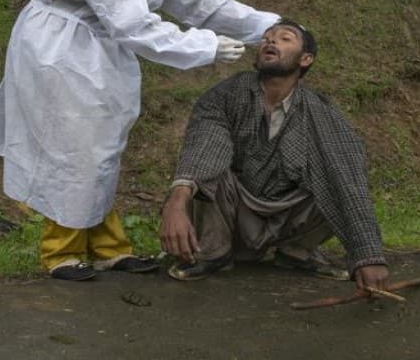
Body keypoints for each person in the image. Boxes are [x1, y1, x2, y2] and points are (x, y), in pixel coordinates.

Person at [0, 0, 280, 281]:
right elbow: (132, 24)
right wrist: (204, 46)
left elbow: (203, 3)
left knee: (101, 147)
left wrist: (271, 25)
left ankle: (108, 247)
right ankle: (61, 252)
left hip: (97, 48)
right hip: (63, 49)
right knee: (74, 146)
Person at [159, 20, 390, 293]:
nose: (270, 42)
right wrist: (176, 202)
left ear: (306, 59)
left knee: (337, 176)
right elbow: (205, 147)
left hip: (288, 216)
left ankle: (295, 252)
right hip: (234, 212)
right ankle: (212, 252)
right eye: (267, 38)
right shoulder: (226, 94)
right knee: (204, 177)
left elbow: (348, 180)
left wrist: (369, 256)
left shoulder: (321, 111)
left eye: (284, 38)